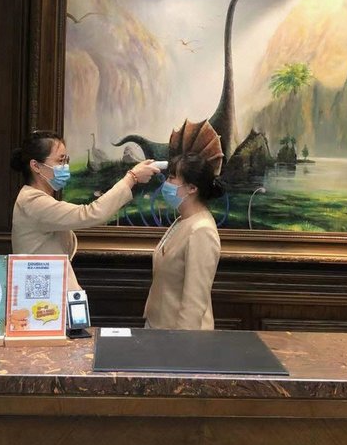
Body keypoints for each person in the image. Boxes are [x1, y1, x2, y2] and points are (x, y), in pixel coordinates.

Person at [11, 130, 159, 290]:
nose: (65, 167)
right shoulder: (33, 202)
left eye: (66, 160)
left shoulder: (36, 199)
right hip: (43, 297)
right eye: (60, 161)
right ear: (35, 166)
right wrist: (131, 178)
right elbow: (91, 213)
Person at [144, 152, 223, 330]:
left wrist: (183, 342)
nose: (166, 183)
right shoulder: (183, 220)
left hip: (178, 334)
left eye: (172, 178)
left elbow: (194, 301)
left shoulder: (201, 230)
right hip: (159, 326)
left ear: (192, 188)